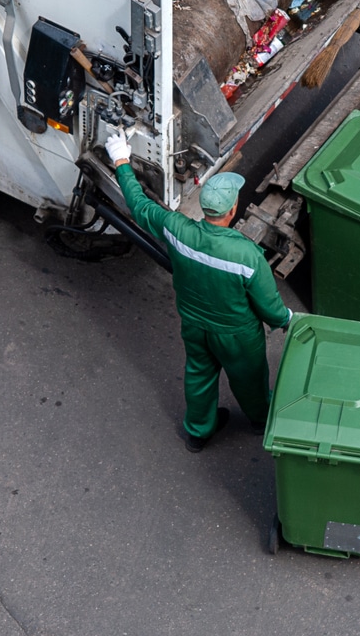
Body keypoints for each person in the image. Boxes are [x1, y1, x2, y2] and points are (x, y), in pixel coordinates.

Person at [106, 131, 292, 453]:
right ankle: (260, 420)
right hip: (237, 335)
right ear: (233, 210)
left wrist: (121, 160)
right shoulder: (246, 256)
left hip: (194, 325)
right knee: (249, 381)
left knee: (198, 374)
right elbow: (271, 309)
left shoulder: (178, 230)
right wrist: (289, 320)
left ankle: (197, 431)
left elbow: (138, 205)